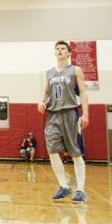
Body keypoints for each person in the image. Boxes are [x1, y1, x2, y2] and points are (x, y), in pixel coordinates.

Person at [37, 41, 89, 204]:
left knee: (75, 152)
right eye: (57, 49)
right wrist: (41, 101)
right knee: (52, 149)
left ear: (68, 53)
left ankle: (80, 190)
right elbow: (45, 91)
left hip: (70, 113)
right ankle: (63, 186)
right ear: (55, 53)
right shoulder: (49, 73)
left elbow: (83, 92)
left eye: (63, 49)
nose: (59, 51)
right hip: (52, 115)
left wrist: (85, 114)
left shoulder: (75, 70)